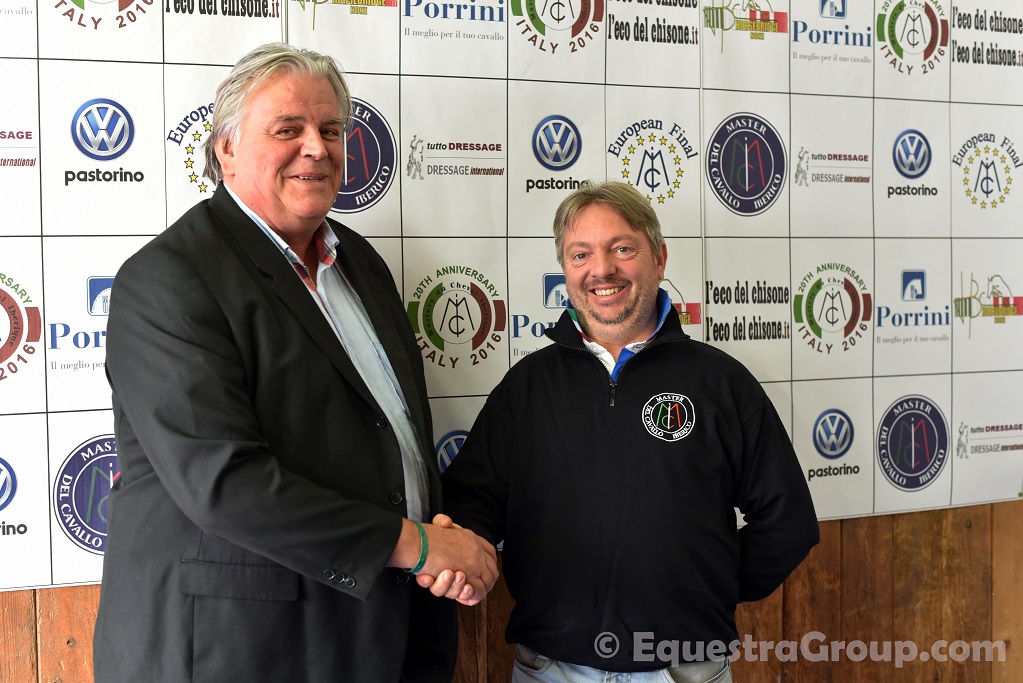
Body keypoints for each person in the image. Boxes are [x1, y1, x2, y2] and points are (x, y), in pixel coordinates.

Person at [93, 43, 496, 683]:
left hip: (382, 628)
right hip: (247, 649)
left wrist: (438, 548)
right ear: (225, 149)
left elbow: (387, 439)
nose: (317, 147)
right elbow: (224, 483)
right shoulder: (170, 279)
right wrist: (416, 545)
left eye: (331, 129)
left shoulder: (360, 263)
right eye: (289, 129)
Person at [436, 181, 819, 682]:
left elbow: (787, 522)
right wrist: (463, 549)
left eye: (622, 248)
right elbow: (473, 499)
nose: (602, 270)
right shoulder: (528, 386)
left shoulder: (720, 382)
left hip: (682, 670)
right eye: (581, 254)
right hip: (552, 669)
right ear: (566, 270)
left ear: (658, 259)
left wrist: (709, 585)